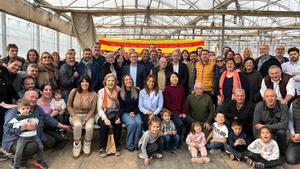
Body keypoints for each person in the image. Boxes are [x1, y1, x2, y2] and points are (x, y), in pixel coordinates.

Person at [2, 90, 70, 165]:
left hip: (34, 135)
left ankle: (28, 152)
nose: (34, 99)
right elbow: (7, 129)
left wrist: (63, 126)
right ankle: (18, 161)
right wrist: (22, 128)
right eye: (32, 97)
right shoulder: (13, 111)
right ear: (24, 97)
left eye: (36, 98)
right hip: (13, 140)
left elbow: (47, 118)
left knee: (52, 142)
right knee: (35, 145)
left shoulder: (37, 108)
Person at [7, 99, 48, 169]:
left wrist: (35, 123)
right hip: (23, 138)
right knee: (19, 152)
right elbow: (9, 125)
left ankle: (40, 161)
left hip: (34, 136)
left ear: (30, 108)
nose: (26, 110)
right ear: (19, 109)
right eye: (23, 109)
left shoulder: (32, 115)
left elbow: (36, 120)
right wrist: (20, 125)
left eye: (27, 108)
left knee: (41, 147)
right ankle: (16, 166)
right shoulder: (18, 117)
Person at [67, 75, 97, 158]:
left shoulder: (94, 94)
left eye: (87, 81)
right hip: (75, 115)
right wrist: (73, 115)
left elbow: (93, 109)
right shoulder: (74, 91)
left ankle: (87, 144)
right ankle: (77, 145)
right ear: (80, 83)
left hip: (89, 115)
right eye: (82, 81)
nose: (84, 83)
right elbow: (69, 105)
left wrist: (86, 119)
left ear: (89, 83)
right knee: (77, 125)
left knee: (89, 127)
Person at [253, 89, 288, 155]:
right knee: (256, 128)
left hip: (277, 129)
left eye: (272, 96)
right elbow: (256, 124)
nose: (269, 98)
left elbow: (284, 124)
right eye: (267, 96)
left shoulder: (283, 106)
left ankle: (282, 153)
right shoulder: (259, 106)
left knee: (282, 131)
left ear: (276, 97)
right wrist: (264, 129)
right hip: (264, 130)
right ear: (264, 98)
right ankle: (260, 149)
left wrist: (266, 126)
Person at [97, 73, 122, 157]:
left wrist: (118, 117)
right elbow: (99, 109)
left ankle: (117, 146)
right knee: (104, 125)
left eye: (112, 81)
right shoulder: (101, 91)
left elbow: (120, 105)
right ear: (105, 82)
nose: (110, 82)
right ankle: (102, 148)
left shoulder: (118, 89)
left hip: (115, 112)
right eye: (109, 81)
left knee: (117, 124)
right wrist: (105, 118)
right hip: (104, 113)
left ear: (115, 82)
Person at [163, 72, 193, 143]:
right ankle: (178, 141)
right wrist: (177, 114)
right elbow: (168, 105)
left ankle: (185, 137)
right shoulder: (167, 89)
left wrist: (183, 112)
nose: (174, 79)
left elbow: (183, 101)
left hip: (181, 112)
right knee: (180, 123)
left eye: (176, 77)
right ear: (170, 79)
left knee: (191, 121)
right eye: (172, 77)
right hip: (172, 113)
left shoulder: (181, 88)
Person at [118, 74, 142, 152]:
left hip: (136, 112)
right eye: (126, 80)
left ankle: (136, 144)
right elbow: (121, 107)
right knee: (132, 124)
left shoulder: (137, 91)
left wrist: (134, 112)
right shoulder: (120, 93)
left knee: (139, 123)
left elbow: (139, 105)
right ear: (123, 82)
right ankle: (129, 144)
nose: (129, 81)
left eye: (130, 79)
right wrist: (118, 116)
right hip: (125, 113)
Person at [285, 96, 300, 164]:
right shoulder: (294, 103)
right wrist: (293, 134)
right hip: (296, 137)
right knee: (291, 159)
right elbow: (290, 121)